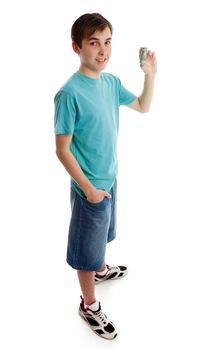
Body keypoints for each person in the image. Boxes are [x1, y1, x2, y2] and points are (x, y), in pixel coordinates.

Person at [54, 12, 157, 340]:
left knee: (103, 234)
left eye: (107, 42)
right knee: (86, 249)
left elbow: (142, 105)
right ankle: (88, 303)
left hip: (110, 178)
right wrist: (88, 189)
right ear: (77, 47)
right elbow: (62, 150)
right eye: (94, 43)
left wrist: (150, 75)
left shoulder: (110, 83)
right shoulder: (69, 94)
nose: (102, 50)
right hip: (90, 188)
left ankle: (99, 268)